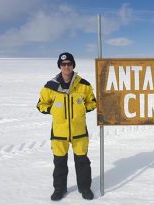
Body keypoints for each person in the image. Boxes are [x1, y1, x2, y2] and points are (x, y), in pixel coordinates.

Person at [36, 52, 97, 201]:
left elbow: (93, 102)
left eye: (69, 64)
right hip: (59, 132)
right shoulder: (50, 86)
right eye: (63, 64)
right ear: (59, 66)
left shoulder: (84, 85)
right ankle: (59, 189)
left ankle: (85, 188)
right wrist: (52, 110)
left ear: (73, 65)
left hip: (79, 131)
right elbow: (40, 104)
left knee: (82, 162)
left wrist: (83, 108)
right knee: (59, 163)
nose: (66, 66)